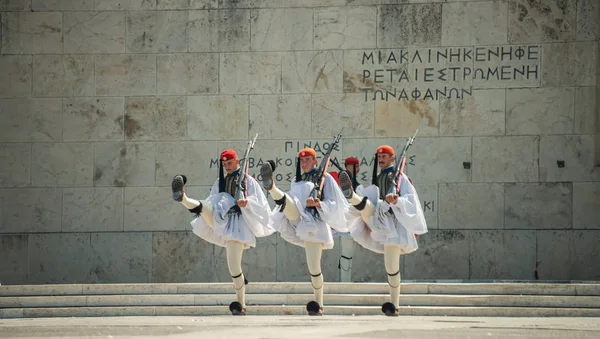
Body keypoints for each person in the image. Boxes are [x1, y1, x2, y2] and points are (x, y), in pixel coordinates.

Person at [171, 148, 274, 316]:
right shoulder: (220, 182)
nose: (227, 166)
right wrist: (207, 228)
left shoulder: (248, 181)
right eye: (224, 164)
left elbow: (261, 204)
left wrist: (246, 203)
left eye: (230, 163)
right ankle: (183, 198)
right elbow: (212, 202)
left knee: (234, 267)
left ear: (238, 161)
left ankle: (241, 303)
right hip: (220, 221)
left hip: (237, 225)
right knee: (204, 205)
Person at [338, 145, 427, 316]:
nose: (381, 159)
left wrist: (397, 201)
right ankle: (352, 196)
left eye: (384, 156)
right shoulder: (378, 177)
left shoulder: (401, 178)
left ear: (392, 158)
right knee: (366, 205)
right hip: (377, 216)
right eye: (379, 157)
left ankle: (394, 305)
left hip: (392, 225)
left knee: (391, 266)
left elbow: (411, 200)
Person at [259, 148, 348, 316]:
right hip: (295, 216)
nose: (304, 163)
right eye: (302, 160)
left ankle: (319, 303)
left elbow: (334, 202)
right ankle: (271, 188)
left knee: (314, 267)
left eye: (308, 160)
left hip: (313, 224)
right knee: (288, 203)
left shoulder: (325, 178)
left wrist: (319, 204)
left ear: (315, 161)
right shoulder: (296, 180)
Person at [333, 157, 361, 283]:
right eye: (352, 166)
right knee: (346, 253)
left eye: (357, 166)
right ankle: (345, 282)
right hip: (345, 223)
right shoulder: (339, 187)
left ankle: (346, 281)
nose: (356, 168)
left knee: (349, 254)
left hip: (356, 223)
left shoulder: (359, 186)